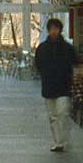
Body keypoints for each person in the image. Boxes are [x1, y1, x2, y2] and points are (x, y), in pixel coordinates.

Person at [33, 15, 76, 152]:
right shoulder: (42, 48)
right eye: (51, 29)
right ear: (48, 30)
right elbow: (37, 65)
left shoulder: (68, 48)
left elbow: (75, 62)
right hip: (48, 87)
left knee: (62, 113)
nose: (53, 31)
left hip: (64, 87)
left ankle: (63, 139)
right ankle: (58, 142)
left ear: (60, 30)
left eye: (56, 28)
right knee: (53, 117)